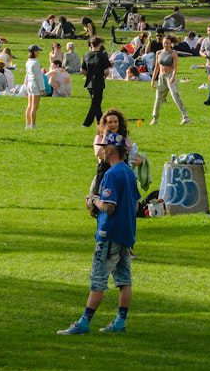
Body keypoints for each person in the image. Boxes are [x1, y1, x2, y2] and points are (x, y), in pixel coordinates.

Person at [58, 132, 140, 335]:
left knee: (98, 280)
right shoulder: (128, 172)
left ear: (111, 150)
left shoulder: (112, 174)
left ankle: (84, 323)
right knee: (123, 280)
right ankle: (120, 322)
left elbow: (109, 207)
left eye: (104, 147)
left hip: (109, 234)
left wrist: (93, 200)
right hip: (126, 235)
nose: (102, 150)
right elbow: (136, 202)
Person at [80, 37, 111, 127]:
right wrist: (104, 77)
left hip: (89, 83)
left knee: (96, 103)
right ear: (100, 44)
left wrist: (88, 75)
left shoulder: (86, 55)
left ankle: (100, 121)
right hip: (99, 81)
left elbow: (82, 70)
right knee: (95, 103)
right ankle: (86, 123)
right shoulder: (102, 56)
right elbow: (107, 71)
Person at [24, 44, 46, 129]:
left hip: (29, 84)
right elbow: (39, 77)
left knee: (29, 106)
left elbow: (27, 75)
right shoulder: (35, 63)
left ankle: (27, 124)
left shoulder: (28, 62)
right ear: (35, 52)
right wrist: (43, 89)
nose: (39, 52)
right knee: (34, 106)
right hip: (35, 84)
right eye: (38, 51)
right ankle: (33, 125)